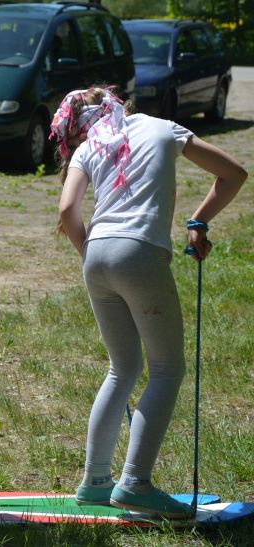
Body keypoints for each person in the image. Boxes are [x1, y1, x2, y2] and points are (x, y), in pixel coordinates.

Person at [52, 87, 247, 518]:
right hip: (139, 252)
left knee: (121, 369)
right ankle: (135, 483)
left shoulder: (88, 146)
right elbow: (234, 174)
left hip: (97, 254)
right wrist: (199, 221)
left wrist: (91, 256)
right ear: (121, 103)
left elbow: (67, 210)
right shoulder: (162, 127)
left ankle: (95, 481)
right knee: (167, 369)